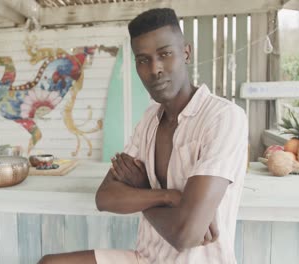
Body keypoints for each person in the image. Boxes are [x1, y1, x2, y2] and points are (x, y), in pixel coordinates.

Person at [38, 8, 248, 264]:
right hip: (146, 258)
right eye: (143, 59)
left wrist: (142, 189)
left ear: (186, 52)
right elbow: (105, 197)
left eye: (165, 54)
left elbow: (186, 234)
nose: (155, 69)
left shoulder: (223, 117)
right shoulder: (149, 120)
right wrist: (168, 196)